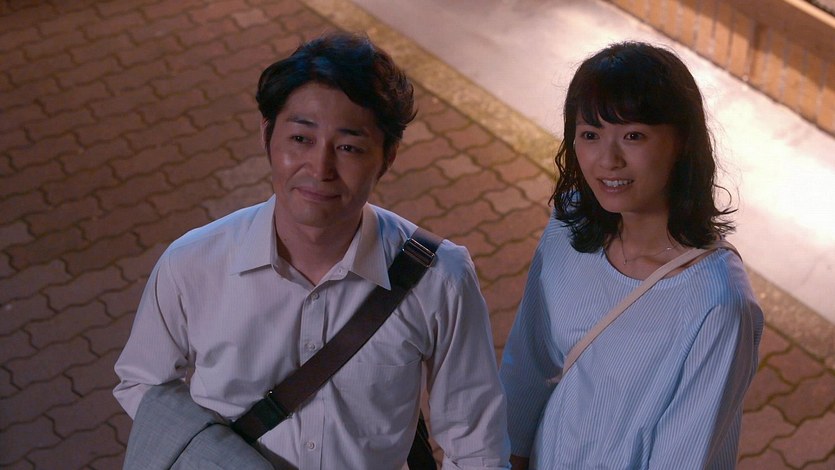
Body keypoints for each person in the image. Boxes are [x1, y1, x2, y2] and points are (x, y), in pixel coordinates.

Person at [114, 32, 510, 469]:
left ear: (388, 156)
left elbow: (476, 446)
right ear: (267, 136)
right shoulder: (193, 262)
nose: (320, 169)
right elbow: (143, 383)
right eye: (301, 139)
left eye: (348, 147)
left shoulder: (442, 279)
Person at [499, 42, 763, 469]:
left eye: (633, 136)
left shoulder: (718, 305)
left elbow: (684, 457)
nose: (608, 160)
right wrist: (505, 457)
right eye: (590, 135)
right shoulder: (570, 224)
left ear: (682, 142)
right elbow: (530, 360)